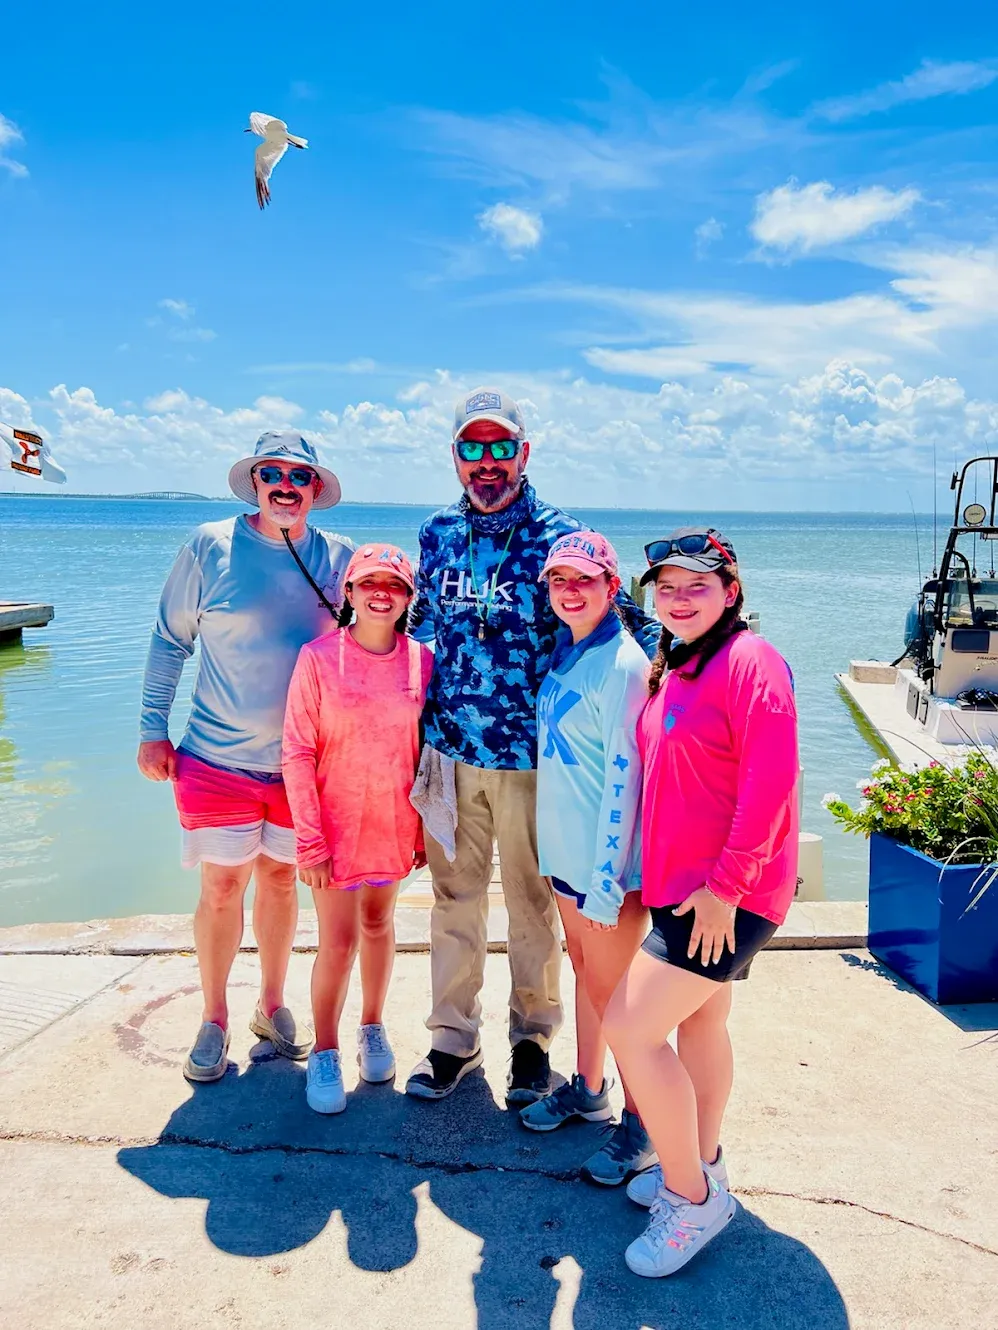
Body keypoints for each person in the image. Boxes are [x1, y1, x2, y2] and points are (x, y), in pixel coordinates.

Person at [405, 387, 658, 1105]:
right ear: (456, 457)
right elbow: (419, 622)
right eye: (472, 448)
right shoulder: (437, 535)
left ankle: (530, 1041)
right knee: (453, 903)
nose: (487, 462)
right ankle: (451, 1040)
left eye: (500, 447)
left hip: (532, 760)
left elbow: (628, 620)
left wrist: (695, 685)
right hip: (450, 754)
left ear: (524, 451)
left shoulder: (561, 535)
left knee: (530, 907)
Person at [602, 527, 799, 1278]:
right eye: (668, 588)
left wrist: (726, 888)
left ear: (731, 591)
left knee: (630, 1027)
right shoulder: (678, 665)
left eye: (698, 586)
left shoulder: (752, 662)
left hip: (725, 894)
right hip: (681, 886)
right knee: (702, 1022)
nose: (681, 600)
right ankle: (703, 1161)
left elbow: (771, 785)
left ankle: (692, 1199)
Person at [137, 432, 354, 1084]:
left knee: (283, 882)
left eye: (299, 475)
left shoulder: (339, 558)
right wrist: (153, 728)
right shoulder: (209, 545)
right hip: (214, 760)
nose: (285, 485)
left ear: (315, 489)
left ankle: (272, 1002)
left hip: (302, 769)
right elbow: (169, 640)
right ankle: (213, 1018)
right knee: (222, 886)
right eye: (272, 473)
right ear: (255, 481)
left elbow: (373, 643)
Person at [518, 530, 654, 1186]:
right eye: (558, 581)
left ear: (611, 587)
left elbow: (626, 778)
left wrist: (604, 887)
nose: (569, 591)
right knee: (587, 980)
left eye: (584, 580)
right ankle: (590, 1088)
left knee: (621, 1000)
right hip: (568, 864)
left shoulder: (624, 664)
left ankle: (646, 1123)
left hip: (607, 875)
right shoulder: (571, 652)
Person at [282, 544, 433, 1114]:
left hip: (393, 822)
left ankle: (372, 1025)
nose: (380, 593)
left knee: (379, 923)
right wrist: (309, 837)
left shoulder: (423, 662)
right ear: (347, 592)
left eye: (394, 585)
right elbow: (296, 750)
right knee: (338, 941)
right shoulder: (318, 658)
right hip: (333, 826)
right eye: (368, 582)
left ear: (408, 598)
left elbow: (423, 754)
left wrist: (420, 831)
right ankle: (324, 1049)